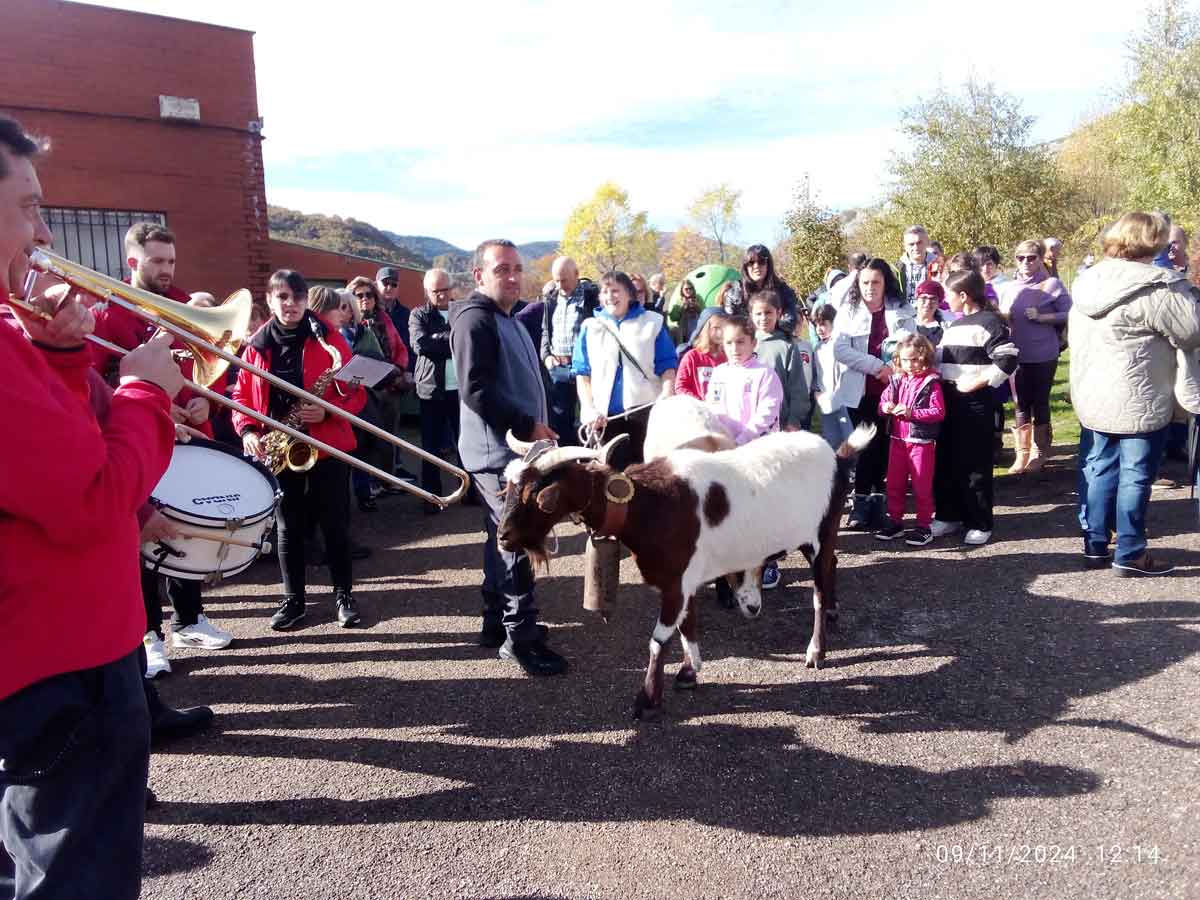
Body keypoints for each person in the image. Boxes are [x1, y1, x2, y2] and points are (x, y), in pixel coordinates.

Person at [0, 114, 182, 898]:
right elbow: (94, 497)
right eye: (30, 206)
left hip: (55, 651)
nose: (44, 231)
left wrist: (64, 360)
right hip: (61, 664)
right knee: (77, 879)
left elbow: (55, 451)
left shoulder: (15, 331)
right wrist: (148, 393)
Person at [450, 239, 565, 675]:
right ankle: (521, 638)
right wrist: (524, 423)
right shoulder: (475, 320)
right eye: (502, 269)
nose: (513, 277)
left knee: (498, 537)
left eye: (517, 268)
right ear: (480, 275)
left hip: (516, 450)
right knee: (517, 540)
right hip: (497, 455)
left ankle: (496, 623)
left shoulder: (509, 320)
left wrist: (544, 422)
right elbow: (475, 389)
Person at [233, 270, 367, 629]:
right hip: (279, 447)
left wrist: (328, 410)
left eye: (297, 297)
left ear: (307, 300)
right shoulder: (256, 346)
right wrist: (247, 429)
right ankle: (294, 599)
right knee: (287, 527)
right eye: (282, 297)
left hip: (326, 444)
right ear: (270, 300)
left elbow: (357, 391)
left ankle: (344, 595)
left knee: (335, 525)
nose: (290, 304)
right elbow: (241, 395)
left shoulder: (331, 340)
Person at [1069, 211, 1200, 575]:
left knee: (1098, 469)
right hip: (1139, 393)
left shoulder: (1087, 281)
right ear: (1153, 241)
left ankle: (1095, 545)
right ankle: (1130, 552)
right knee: (1136, 474)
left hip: (1094, 392)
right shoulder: (1158, 286)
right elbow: (1191, 332)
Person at [932, 270, 1019, 545]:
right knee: (946, 462)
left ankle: (980, 521)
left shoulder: (990, 322)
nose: (945, 300)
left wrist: (980, 382)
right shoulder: (955, 326)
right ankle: (949, 515)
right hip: (948, 403)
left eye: (948, 295)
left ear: (963, 295)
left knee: (974, 464)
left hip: (974, 405)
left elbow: (1008, 359)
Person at [833, 258, 916, 530]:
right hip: (861, 390)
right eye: (865, 282)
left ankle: (878, 503)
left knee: (884, 447)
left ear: (885, 283)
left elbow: (911, 345)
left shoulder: (901, 309)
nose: (870, 287)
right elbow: (840, 350)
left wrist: (893, 368)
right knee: (866, 444)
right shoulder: (848, 311)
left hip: (892, 390)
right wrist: (876, 367)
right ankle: (860, 504)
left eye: (876, 282)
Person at [704, 315, 785, 586]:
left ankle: (768, 562)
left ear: (753, 342)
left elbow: (767, 413)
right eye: (728, 342)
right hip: (726, 452)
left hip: (756, 452)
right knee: (731, 508)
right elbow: (713, 410)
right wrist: (718, 439)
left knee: (761, 510)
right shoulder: (719, 373)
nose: (734, 348)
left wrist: (742, 438)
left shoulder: (764, 373)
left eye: (740, 342)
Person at [573, 270, 677, 469]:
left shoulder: (652, 322)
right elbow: (582, 373)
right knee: (609, 480)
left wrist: (667, 393)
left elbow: (667, 365)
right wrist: (588, 408)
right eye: (605, 292)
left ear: (630, 294)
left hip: (646, 414)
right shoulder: (590, 327)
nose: (610, 296)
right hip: (604, 419)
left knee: (648, 476)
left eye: (615, 291)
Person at [997, 239, 1072, 474]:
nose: (1026, 262)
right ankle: (1022, 454)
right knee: (1020, 404)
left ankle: (1040, 452)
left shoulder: (1052, 284)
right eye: (1021, 258)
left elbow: (1071, 312)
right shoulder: (1008, 288)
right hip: (1016, 354)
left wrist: (1042, 317)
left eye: (1031, 257)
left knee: (1039, 401)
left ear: (1041, 259)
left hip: (1043, 352)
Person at [90, 221, 190, 382]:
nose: (166, 270)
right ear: (132, 263)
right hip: (135, 404)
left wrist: (204, 399)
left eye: (171, 262)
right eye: (157, 261)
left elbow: (209, 367)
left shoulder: (187, 307)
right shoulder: (103, 314)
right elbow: (93, 380)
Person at [873, 334, 945, 546]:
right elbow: (884, 400)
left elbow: (938, 411)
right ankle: (895, 522)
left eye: (915, 359)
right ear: (898, 360)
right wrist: (885, 406)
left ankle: (924, 526)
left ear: (924, 358)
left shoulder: (931, 382)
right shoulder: (897, 379)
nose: (911, 364)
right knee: (894, 484)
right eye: (906, 360)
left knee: (922, 486)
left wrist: (912, 412)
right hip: (897, 440)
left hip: (921, 443)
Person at [348, 274, 412, 490]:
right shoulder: (349, 324)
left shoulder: (384, 319)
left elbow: (401, 348)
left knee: (388, 436)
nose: (365, 299)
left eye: (369, 295)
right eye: (359, 295)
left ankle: (387, 480)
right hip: (364, 391)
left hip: (389, 386)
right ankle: (368, 485)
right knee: (367, 439)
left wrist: (399, 369)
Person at [410, 267, 464, 513]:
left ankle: (470, 491)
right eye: (436, 291)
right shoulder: (418, 315)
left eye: (445, 290)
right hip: (431, 390)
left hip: (461, 390)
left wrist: (439, 339)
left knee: (465, 444)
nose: (441, 295)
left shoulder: (461, 312)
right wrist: (452, 339)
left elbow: (469, 341)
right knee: (430, 447)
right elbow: (421, 345)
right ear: (426, 291)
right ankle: (431, 497)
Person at [539, 256, 598, 447]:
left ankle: (592, 462)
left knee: (589, 418)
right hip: (558, 368)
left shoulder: (592, 297)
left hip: (587, 369)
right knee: (560, 421)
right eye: (556, 280)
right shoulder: (551, 299)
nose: (560, 284)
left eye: (564, 280)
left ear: (577, 275)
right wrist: (546, 356)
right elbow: (546, 330)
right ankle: (569, 468)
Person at [374, 266, 418, 482]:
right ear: (377, 284)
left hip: (396, 381)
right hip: (372, 382)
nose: (389, 287)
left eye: (394, 284)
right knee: (373, 430)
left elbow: (410, 347)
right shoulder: (369, 311)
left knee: (393, 427)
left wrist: (408, 372)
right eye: (385, 283)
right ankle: (373, 476)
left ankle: (395, 468)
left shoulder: (405, 314)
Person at [749, 290, 811, 432]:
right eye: (758, 313)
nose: (763, 317)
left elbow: (798, 388)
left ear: (779, 312)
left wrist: (794, 420)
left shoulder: (787, 346)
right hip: (750, 424)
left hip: (780, 425)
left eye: (768, 312)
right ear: (751, 315)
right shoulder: (746, 344)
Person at [811, 302, 854, 450]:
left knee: (849, 439)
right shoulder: (817, 348)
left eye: (823, 324)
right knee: (831, 440)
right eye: (816, 325)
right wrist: (817, 393)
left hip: (843, 400)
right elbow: (816, 374)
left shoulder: (841, 344)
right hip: (826, 401)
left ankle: (853, 470)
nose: (819, 329)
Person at [740, 244, 799, 334]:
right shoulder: (737, 292)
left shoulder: (783, 290)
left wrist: (766, 327)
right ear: (746, 266)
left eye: (761, 261)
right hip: (746, 342)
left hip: (776, 339)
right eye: (751, 262)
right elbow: (735, 326)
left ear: (768, 265)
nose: (756, 266)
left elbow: (790, 322)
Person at [674, 308, 728, 400]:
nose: (720, 332)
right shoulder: (692, 356)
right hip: (698, 410)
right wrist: (699, 404)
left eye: (724, 328)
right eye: (716, 328)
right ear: (705, 329)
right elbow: (681, 387)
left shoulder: (728, 357)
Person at [897, 225, 933, 303]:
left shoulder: (940, 265)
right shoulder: (896, 269)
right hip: (905, 313)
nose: (916, 247)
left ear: (927, 242)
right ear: (905, 246)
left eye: (919, 243)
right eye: (911, 244)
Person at [668, 277, 703, 347]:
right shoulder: (679, 301)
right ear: (682, 290)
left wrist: (697, 307)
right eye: (686, 289)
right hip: (683, 331)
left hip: (696, 328)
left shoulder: (698, 298)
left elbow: (704, 312)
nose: (688, 291)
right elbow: (673, 318)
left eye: (690, 288)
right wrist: (681, 308)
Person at [913, 280, 945, 346]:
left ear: (939, 302)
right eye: (924, 298)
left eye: (933, 299)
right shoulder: (906, 322)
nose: (928, 303)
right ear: (917, 299)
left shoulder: (946, 325)